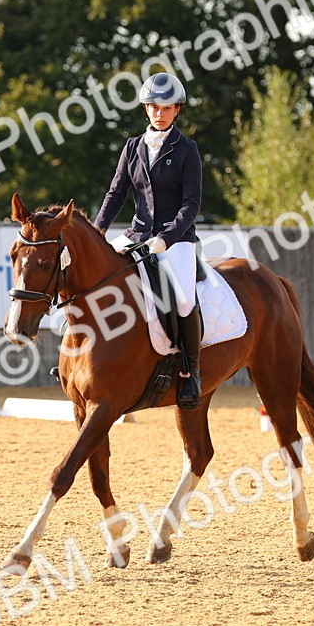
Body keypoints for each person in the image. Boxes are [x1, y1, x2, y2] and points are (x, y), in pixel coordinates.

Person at [94, 72, 204, 409]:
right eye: (154, 107)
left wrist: (167, 237)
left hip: (176, 239)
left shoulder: (187, 150)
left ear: (177, 110)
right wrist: (98, 230)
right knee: (95, 276)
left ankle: (191, 372)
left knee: (183, 300)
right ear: (146, 109)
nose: (160, 113)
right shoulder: (132, 147)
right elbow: (116, 194)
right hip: (137, 235)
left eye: (167, 108)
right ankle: (84, 355)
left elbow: (191, 204)